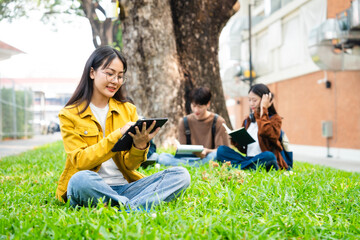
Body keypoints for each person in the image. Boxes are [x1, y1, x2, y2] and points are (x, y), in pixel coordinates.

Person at [56, 46, 190, 211]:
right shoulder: (69, 114)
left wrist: (140, 145)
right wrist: (117, 135)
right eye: (109, 73)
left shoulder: (128, 110)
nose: (115, 81)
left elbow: (130, 165)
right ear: (92, 73)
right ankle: (136, 206)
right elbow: (80, 161)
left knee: (181, 175)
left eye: (120, 76)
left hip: (127, 187)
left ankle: (123, 207)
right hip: (93, 187)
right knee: (79, 180)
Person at [216, 83, 289, 171]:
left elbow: (265, 131)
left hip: (263, 159)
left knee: (269, 156)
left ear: (264, 100)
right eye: (249, 100)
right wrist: (235, 139)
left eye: (254, 100)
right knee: (221, 150)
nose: (251, 104)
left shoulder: (275, 119)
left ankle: (238, 167)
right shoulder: (248, 120)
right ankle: (248, 167)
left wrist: (263, 109)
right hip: (250, 159)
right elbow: (244, 150)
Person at [157, 87, 230, 166]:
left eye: (200, 107)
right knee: (162, 157)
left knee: (215, 156)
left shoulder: (218, 121)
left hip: (208, 157)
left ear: (208, 104)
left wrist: (206, 151)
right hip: (189, 158)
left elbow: (224, 151)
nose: (196, 110)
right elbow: (182, 150)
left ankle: (189, 165)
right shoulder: (184, 122)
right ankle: (194, 164)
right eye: (194, 106)